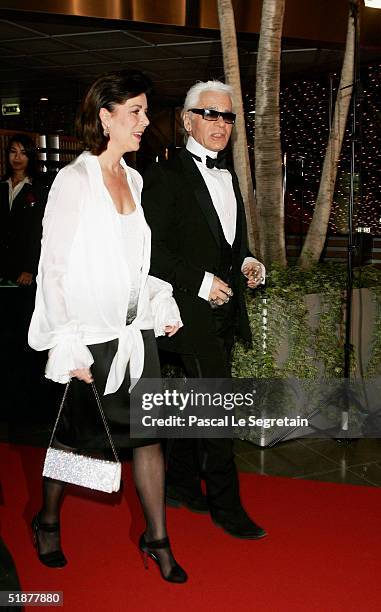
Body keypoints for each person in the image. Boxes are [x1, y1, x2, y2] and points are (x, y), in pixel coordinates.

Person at [28, 70, 187, 583]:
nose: (144, 121)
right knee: (77, 440)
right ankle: (48, 520)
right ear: (106, 116)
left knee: (148, 439)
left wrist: (157, 301)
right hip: (90, 334)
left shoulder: (135, 179)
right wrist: (66, 342)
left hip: (134, 334)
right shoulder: (73, 181)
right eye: (135, 112)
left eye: (145, 111)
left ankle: (157, 538)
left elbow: (134, 263)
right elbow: (53, 267)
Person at [142, 80, 267, 540]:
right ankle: (225, 505)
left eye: (228, 116)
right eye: (210, 114)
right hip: (186, 311)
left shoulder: (229, 175)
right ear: (188, 119)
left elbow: (230, 245)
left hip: (224, 310)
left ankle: (178, 484)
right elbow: (149, 248)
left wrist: (249, 263)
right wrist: (198, 282)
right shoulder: (165, 172)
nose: (221, 124)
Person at [0, 133, 47, 287]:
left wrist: (29, 268)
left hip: (24, 270)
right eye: (13, 152)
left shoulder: (38, 189)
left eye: (23, 153)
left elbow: (38, 232)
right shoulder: (2, 185)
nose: (17, 158)